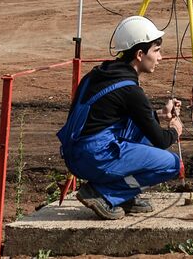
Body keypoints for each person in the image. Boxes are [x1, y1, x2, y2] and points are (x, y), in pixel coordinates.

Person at [57, 15, 184, 219]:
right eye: (157, 51)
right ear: (140, 54)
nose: (160, 57)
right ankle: (109, 193)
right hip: (94, 156)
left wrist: (160, 114)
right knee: (172, 165)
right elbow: (160, 140)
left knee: (142, 130)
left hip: (76, 152)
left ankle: (121, 194)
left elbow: (109, 115)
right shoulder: (130, 91)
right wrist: (175, 130)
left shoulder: (98, 74)